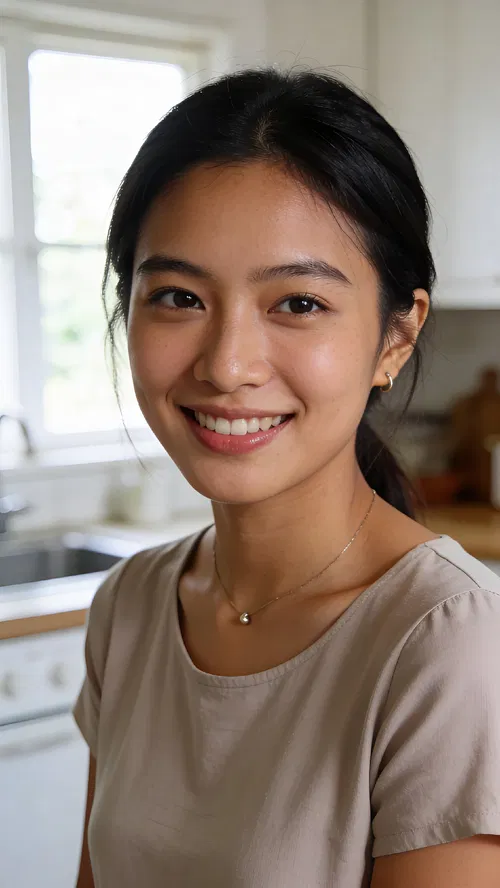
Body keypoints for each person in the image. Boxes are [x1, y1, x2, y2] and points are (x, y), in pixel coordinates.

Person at [73, 69, 500, 888]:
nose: (228, 365)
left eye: (297, 304)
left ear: (395, 338)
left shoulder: (453, 646)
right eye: (177, 295)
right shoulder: (128, 609)